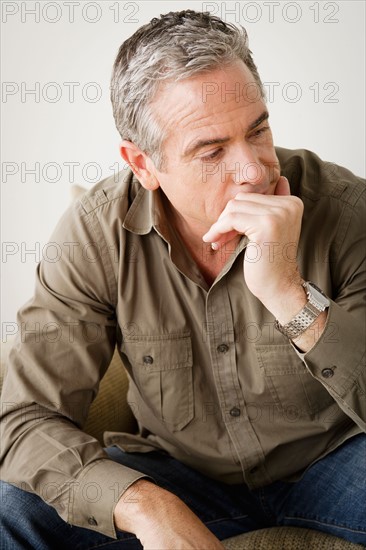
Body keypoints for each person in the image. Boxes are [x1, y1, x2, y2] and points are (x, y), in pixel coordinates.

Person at [1, 9, 365, 550]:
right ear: (142, 164)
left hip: (334, 467)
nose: (254, 170)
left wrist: (288, 293)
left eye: (258, 130)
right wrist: (147, 505)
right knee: (13, 510)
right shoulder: (95, 235)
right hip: (183, 478)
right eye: (212, 151)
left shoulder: (345, 208)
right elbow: (25, 418)